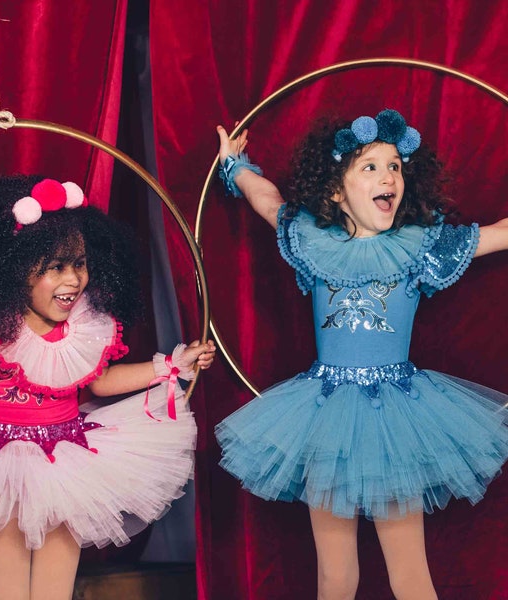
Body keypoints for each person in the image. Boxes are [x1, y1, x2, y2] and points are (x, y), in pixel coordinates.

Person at [214, 109, 508, 600]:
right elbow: (269, 202)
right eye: (369, 167)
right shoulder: (310, 239)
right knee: (335, 576)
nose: (387, 175)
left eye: (394, 166)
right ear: (335, 189)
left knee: (410, 576)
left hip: (397, 417)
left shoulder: (422, 247)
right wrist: (237, 166)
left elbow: (499, 232)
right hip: (325, 416)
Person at [0, 175, 215, 600]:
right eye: (56, 267)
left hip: (67, 463)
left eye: (80, 264)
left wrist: (170, 366)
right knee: (8, 592)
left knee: (55, 591)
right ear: (15, 269)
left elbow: (101, 381)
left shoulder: (84, 329)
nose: (74, 279)